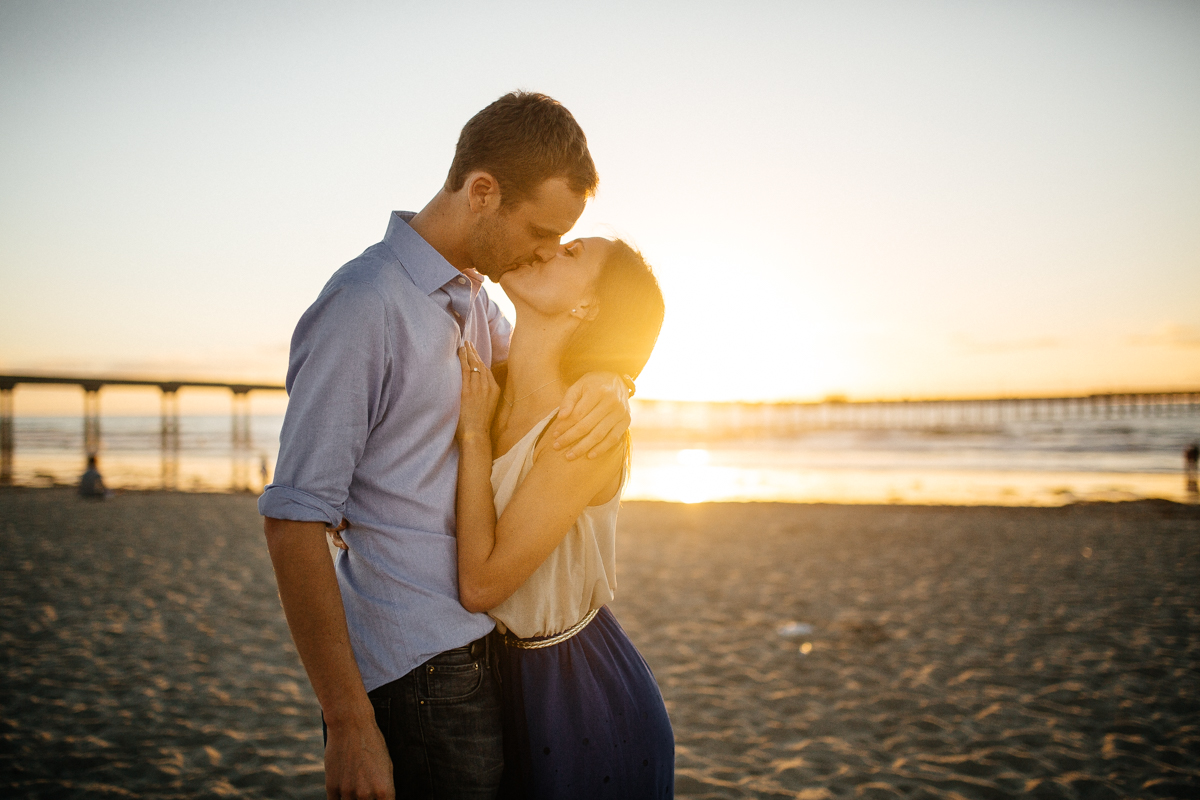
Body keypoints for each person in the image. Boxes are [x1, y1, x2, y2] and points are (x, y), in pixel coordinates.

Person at [258, 92, 634, 800]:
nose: (549, 251)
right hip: (417, 671)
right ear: (482, 192)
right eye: (543, 231)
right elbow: (292, 519)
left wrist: (613, 381)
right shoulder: (366, 303)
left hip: (481, 655)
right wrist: (347, 721)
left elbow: (538, 386)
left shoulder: (477, 302)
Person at [454, 237, 673, 798]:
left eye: (572, 253)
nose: (547, 248)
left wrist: (476, 438)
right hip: (491, 681)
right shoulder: (487, 382)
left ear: (588, 308)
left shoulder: (584, 425)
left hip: (576, 693)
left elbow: (482, 583)